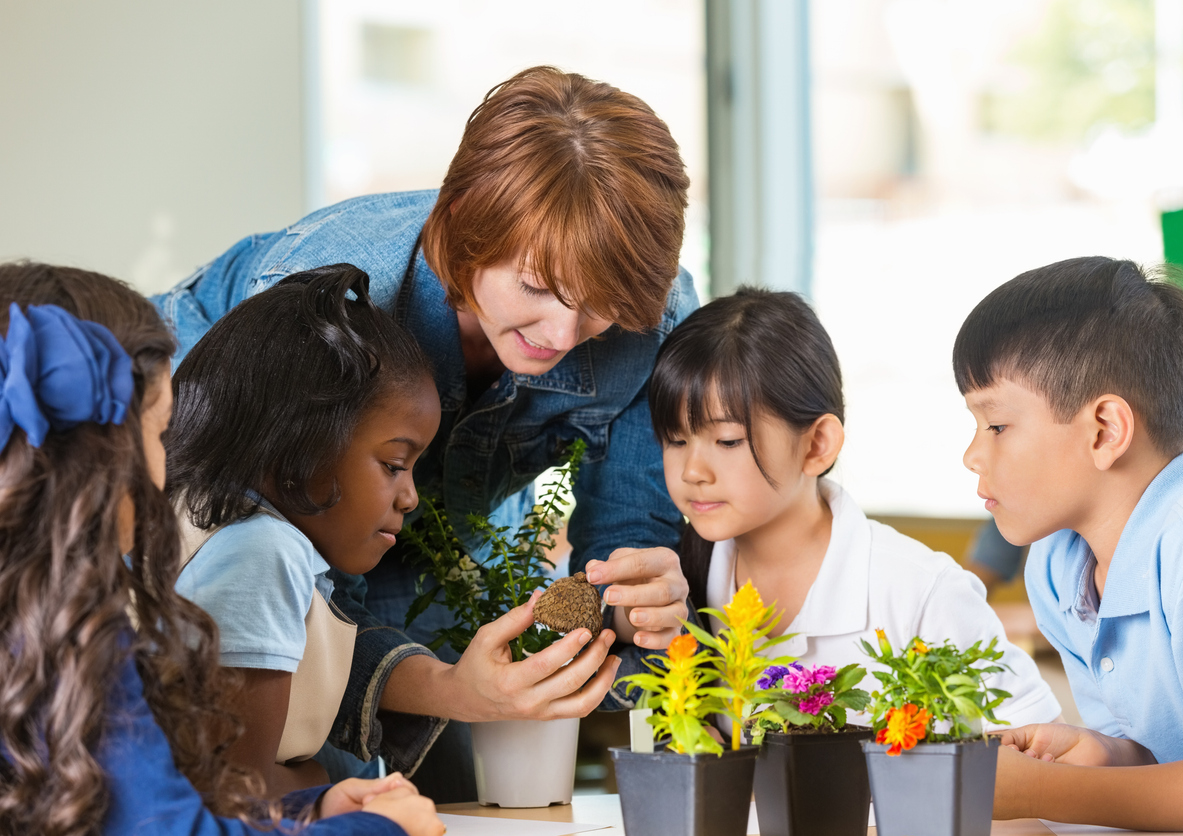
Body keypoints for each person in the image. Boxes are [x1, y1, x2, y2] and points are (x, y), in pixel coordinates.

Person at [152, 66, 695, 798]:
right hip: (235, 509)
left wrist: (631, 605)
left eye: (599, 307)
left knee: (452, 778)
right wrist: (449, 690)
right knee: (300, 776)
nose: (565, 332)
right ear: (468, 225)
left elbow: (614, 563)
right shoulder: (333, 304)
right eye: (536, 288)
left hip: (424, 521)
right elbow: (300, 610)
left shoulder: (649, 315)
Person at [0, 262, 442, 836]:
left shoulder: (39, 624)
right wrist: (382, 830)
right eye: (160, 435)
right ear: (100, 460)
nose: (166, 468)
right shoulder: (74, 639)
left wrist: (306, 812)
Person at [650, 287, 1062, 733]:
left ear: (817, 445)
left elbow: (1045, 754)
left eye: (727, 441)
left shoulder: (923, 593)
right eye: (676, 440)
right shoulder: (678, 586)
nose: (692, 470)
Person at [954, 257, 1183, 830]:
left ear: (1105, 431)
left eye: (995, 425)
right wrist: (1102, 756)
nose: (972, 455)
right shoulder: (1057, 565)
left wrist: (1046, 792)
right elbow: (1163, 757)